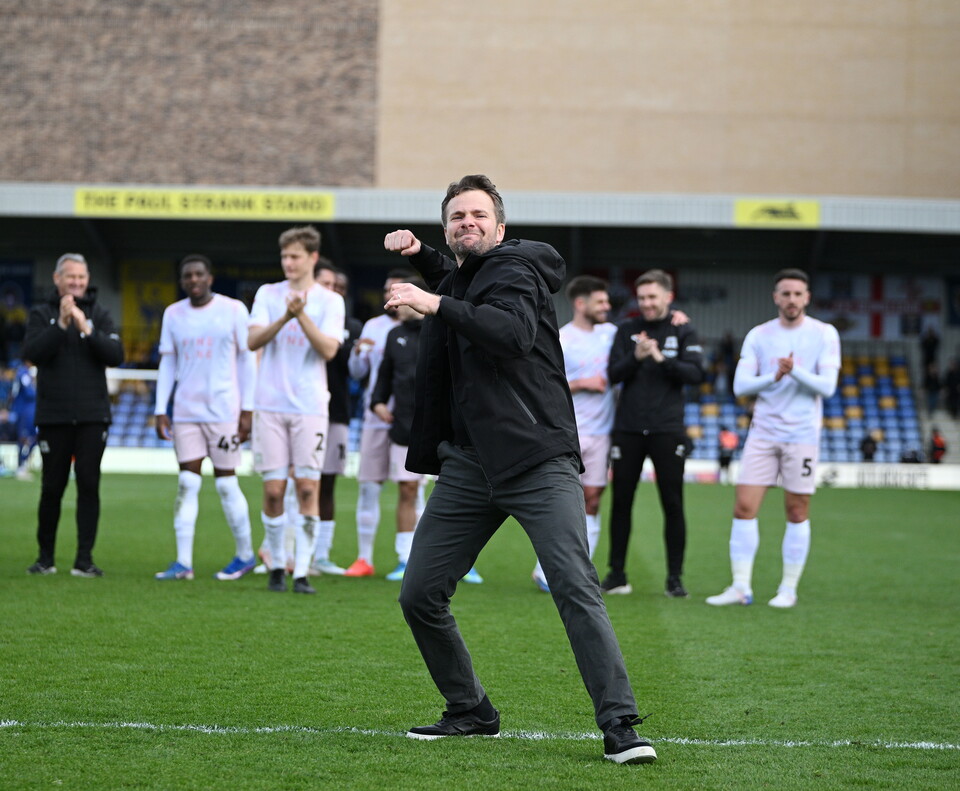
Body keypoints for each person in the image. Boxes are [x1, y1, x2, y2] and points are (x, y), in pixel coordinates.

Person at [383, 175, 655, 765]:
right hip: (468, 466)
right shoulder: (465, 273)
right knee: (419, 594)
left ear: (501, 229)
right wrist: (423, 258)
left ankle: (621, 725)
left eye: (479, 215)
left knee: (574, 586)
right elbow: (462, 280)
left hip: (535, 459)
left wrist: (428, 299)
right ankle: (470, 710)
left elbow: (508, 331)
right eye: (457, 217)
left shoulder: (518, 270)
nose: (468, 223)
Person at [707, 268, 840, 609]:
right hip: (763, 432)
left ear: (806, 297)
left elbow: (828, 387)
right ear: (775, 297)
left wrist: (794, 371)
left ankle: (788, 589)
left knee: (797, 510)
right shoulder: (759, 335)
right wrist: (774, 375)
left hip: (802, 434)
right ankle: (740, 587)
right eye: (785, 293)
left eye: (797, 293)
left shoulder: (824, 334)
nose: (791, 299)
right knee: (744, 506)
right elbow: (740, 386)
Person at [248, 226, 345, 594]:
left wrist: (301, 316)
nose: (288, 263)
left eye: (295, 257)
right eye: (285, 257)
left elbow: (329, 350)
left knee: (307, 487)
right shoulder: (267, 294)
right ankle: (275, 563)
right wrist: (284, 317)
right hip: (270, 403)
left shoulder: (329, 301)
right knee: (273, 490)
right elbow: (252, 339)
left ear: (312, 258)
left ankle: (301, 571)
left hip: (309, 404)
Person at [152, 254, 258, 581]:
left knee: (227, 484)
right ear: (182, 281)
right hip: (185, 412)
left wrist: (247, 408)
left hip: (224, 410)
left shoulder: (234, 310)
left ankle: (244, 555)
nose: (193, 280)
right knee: (187, 482)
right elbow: (168, 362)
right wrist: (160, 408)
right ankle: (183, 563)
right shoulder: (173, 314)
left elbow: (247, 360)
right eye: (187, 276)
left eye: (199, 274)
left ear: (210, 278)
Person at [603, 269, 704, 598]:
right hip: (628, 428)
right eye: (642, 297)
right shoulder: (627, 330)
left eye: (652, 297)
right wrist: (636, 356)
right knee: (621, 502)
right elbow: (613, 373)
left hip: (667, 429)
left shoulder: (683, 329)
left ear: (667, 297)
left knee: (673, 503)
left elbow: (695, 374)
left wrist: (660, 359)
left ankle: (675, 579)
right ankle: (617, 574)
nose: (646, 303)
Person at [22, 253, 124, 576]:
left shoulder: (100, 314)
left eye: (82, 277)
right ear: (57, 279)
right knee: (51, 487)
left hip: (93, 416)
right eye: (71, 277)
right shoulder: (40, 314)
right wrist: (62, 325)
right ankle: (45, 558)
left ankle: (84, 560)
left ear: (88, 278)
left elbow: (115, 355)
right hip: (54, 416)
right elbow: (32, 354)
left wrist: (85, 328)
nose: (77, 283)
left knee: (89, 485)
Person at [531, 275, 616, 593]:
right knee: (561, 502)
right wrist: (582, 383)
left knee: (593, 501)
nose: (607, 307)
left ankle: (579, 571)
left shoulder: (612, 334)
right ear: (581, 304)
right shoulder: (562, 339)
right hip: (568, 432)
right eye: (601, 302)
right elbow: (542, 385)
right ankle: (545, 570)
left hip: (602, 433)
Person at [344, 269, 426, 578]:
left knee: (412, 490)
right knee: (368, 487)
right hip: (375, 420)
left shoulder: (430, 328)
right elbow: (359, 372)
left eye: (397, 290)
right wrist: (357, 352)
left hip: (410, 422)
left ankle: (410, 557)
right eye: (387, 291)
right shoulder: (375, 327)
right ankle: (364, 558)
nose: (391, 297)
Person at [369, 276, 428, 581]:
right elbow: (384, 376)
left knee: (450, 495)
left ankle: (461, 563)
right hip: (404, 426)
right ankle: (405, 558)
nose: (396, 302)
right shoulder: (394, 336)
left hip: (443, 429)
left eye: (401, 296)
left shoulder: (443, 328)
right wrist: (378, 402)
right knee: (407, 490)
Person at [309, 259, 362, 576]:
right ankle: (282, 552)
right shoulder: (299, 319)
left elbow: (351, 367)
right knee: (296, 483)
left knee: (327, 483)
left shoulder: (352, 327)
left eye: (340, 288)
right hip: (301, 409)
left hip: (336, 412)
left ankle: (322, 554)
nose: (334, 291)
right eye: (328, 285)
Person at [10, 358, 37, 480]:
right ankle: (21, 466)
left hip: (26, 410)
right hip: (25, 410)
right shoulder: (23, 373)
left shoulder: (23, 373)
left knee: (31, 438)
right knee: (25, 438)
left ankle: (22, 465)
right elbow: (30, 393)